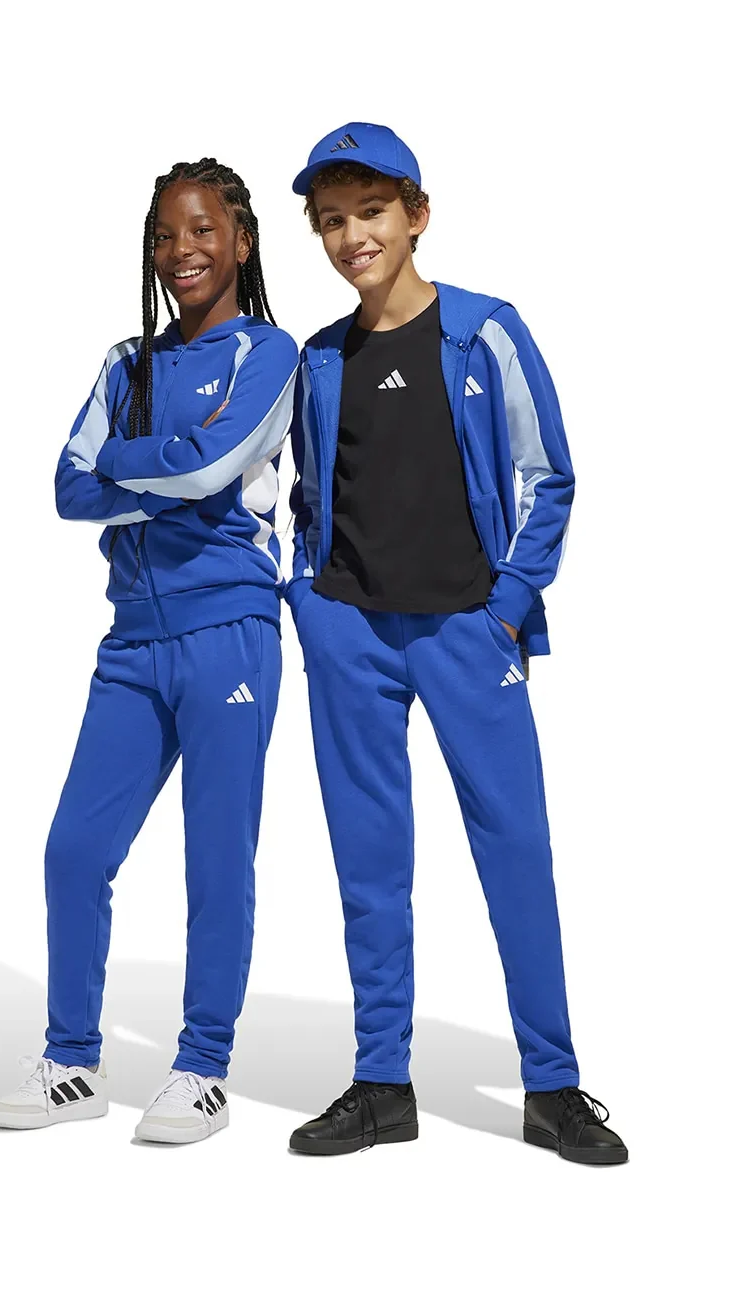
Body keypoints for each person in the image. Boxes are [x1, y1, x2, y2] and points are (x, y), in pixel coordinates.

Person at [284, 123, 628, 1164]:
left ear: (417, 215)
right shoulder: (319, 357)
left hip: (467, 631)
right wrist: (308, 598)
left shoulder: (483, 332)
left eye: (371, 212)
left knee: (515, 849)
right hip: (349, 631)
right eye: (332, 221)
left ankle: (552, 1085)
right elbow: (306, 491)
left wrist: (506, 607)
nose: (353, 236)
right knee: (368, 863)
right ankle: (380, 1083)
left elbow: (548, 475)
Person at [0, 159, 297, 1144]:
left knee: (217, 860)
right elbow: (67, 488)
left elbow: (211, 467)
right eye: (163, 235)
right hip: (132, 639)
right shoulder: (128, 364)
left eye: (200, 230)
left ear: (240, 241)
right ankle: (71, 1061)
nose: (179, 251)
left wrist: (137, 464)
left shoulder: (268, 354)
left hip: (230, 633)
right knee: (74, 851)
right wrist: (163, 468)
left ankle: (202, 1070)